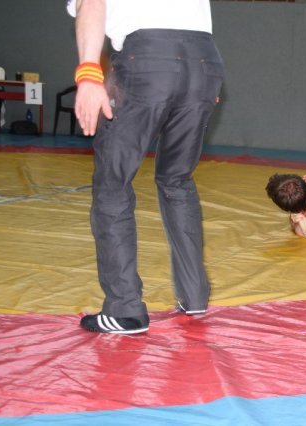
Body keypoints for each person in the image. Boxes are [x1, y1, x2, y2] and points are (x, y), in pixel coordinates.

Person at [67, 0, 224, 334]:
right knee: (177, 179)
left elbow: (90, 3)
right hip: (205, 63)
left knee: (113, 183)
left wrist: (88, 74)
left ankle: (125, 309)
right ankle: (195, 295)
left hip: (149, 59)